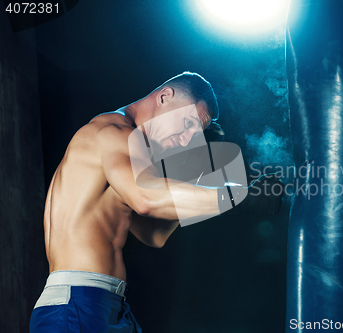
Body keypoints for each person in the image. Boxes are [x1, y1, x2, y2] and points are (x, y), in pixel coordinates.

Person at [30, 72, 263, 332]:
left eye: (196, 133)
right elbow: (146, 200)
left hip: (107, 303)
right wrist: (241, 196)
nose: (188, 140)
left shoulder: (130, 157)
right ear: (165, 96)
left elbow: (154, 234)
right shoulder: (113, 132)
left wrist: (195, 166)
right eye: (188, 123)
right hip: (77, 304)